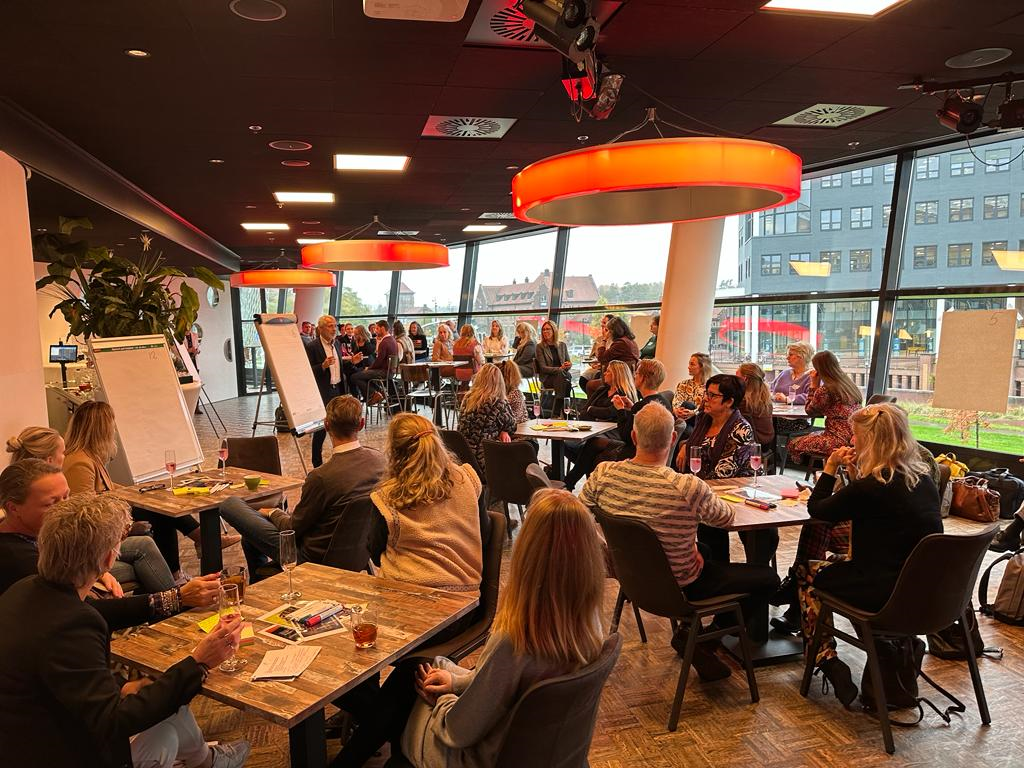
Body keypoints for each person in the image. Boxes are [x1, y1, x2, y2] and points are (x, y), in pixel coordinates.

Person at [0, 492, 249, 768]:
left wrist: (125, 686)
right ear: (108, 559)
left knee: (164, 695)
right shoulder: (71, 623)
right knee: (164, 732)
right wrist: (200, 661)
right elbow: (114, 721)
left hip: (31, 735)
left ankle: (209, 762)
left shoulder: (23, 591)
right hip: (59, 751)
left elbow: (67, 677)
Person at [397, 489, 606, 768]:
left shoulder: (516, 638)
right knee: (439, 668)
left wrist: (444, 699)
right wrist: (458, 684)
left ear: (527, 555)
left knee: (408, 687)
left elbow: (459, 731)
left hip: (491, 757)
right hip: (548, 754)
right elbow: (504, 687)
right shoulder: (589, 623)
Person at [579, 404, 778, 681]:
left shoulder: (603, 474)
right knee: (767, 578)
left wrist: (606, 549)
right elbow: (726, 518)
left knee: (705, 549)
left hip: (631, 577)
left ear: (634, 438)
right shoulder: (687, 487)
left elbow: (579, 515)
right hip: (681, 585)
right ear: (673, 439)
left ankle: (694, 635)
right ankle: (705, 639)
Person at [332, 413, 483, 767]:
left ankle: (355, 750)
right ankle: (389, 735)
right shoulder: (467, 480)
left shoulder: (388, 498)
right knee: (402, 681)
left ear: (395, 454)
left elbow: (372, 550)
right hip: (466, 605)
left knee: (342, 642)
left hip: (413, 611)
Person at [797, 404, 942, 707]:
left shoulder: (872, 487)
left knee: (806, 571)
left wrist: (830, 468)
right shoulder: (922, 479)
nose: (852, 443)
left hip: (881, 590)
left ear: (871, 441)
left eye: (856, 438)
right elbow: (872, 510)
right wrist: (854, 472)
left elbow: (819, 510)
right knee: (835, 562)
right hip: (920, 588)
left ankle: (826, 659)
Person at [0, 460, 220, 621]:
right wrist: (177, 598)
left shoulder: (36, 536)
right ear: (13, 508)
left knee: (144, 547)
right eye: (51, 503)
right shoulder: (19, 560)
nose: (66, 507)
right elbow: (87, 613)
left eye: (67, 497)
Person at [62, 401, 237, 581]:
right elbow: (85, 512)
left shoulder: (89, 457)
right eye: (111, 427)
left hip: (110, 517)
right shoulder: (79, 463)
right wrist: (128, 526)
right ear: (100, 430)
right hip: (99, 531)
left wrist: (140, 490)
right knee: (161, 512)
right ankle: (193, 551)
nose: (114, 431)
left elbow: (108, 487)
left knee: (161, 503)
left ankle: (190, 554)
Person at [217, 396, 386, 575]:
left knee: (230, 504)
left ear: (326, 425)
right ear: (361, 424)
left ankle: (262, 578)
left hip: (310, 559)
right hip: (354, 554)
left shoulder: (321, 477)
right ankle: (260, 580)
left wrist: (274, 512)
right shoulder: (379, 461)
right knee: (250, 536)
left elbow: (292, 528)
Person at [679, 375, 757, 563]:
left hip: (736, 494)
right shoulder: (704, 420)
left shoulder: (741, 429)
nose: (705, 398)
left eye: (713, 395)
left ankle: (718, 568)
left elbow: (724, 472)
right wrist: (685, 445)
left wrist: (691, 488)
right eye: (707, 393)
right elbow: (696, 447)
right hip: (706, 489)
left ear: (729, 401)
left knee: (704, 514)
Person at [563, 358, 672, 490]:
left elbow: (626, 436)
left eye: (636, 373)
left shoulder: (642, 406)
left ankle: (570, 482)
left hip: (634, 451)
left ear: (643, 378)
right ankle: (570, 481)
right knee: (593, 444)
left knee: (592, 446)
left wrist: (620, 410)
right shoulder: (662, 402)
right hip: (651, 450)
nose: (634, 376)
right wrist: (631, 408)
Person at [787, 350, 862, 464]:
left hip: (836, 439)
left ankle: (821, 473)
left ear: (819, 369)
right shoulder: (849, 385)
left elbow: (810, 411)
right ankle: (830, 472)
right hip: (854, 438)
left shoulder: (826, 390)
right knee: (813, 435)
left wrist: (814, 384)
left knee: (793, 444)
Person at [307, 314, 354, 468]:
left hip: (338, 390)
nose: (334, 329)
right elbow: (307, 371)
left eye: (335, 325)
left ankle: (341, 460)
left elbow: (340, 367)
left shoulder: (337, 344)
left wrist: (352, 362)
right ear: (320, 329)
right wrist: (322, 366)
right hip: (323, 391)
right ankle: (316, 463)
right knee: (321, 429)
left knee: (340, 427)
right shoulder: (313, 347)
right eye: (330, 326)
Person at [458, 363, 517, 472]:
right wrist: (503, 430)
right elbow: (512, 425)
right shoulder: (497, 402)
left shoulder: (467, 399)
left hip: (463, 458)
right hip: (486, 459)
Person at [352, 319, 399, 406]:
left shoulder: (384, 342)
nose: (375, 331)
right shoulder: (393, 340)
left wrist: (369, 368)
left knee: (355, 377)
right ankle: (380, 392)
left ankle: (374, 394)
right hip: (390, 371)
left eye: (377, 328)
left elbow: (379, 361)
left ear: (382, 328)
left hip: (383, 372)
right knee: (364, 376)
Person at [535, 320, 573, 413]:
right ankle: (563, 411)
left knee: (564, 378)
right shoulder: (540, 347)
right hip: (548, 378)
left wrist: (568, 365)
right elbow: (543, 368)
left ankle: (558, 411)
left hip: (561, 377)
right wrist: (560, 369)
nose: (545, 332)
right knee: (566, 380)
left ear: (554, 331)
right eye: (543, 330)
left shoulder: (562, 345)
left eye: (548, 329)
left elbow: (567, 364)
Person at [736, 362, 775, 447]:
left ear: (745, 379)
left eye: (736, 377)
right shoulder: (764, 398)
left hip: (754, 442)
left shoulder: (743, 402)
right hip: (767, 441)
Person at [672, 352, 713, 421]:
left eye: (692, 364)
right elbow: (676, 401)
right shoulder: (683, 384)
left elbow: (708, 409)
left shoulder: (711, 388)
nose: (688, 367)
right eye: (689, 364)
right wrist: (677, 411)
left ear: (702, 367)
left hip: (699, 419)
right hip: (682, 418)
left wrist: (694, 413)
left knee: (688, 405)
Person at [578, 313, 614, 392]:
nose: (602, 325)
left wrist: (601, 364)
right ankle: (592, 399)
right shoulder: (599, 339)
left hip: (607, 369)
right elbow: (591, 357)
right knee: (583, 379)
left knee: (596, 379)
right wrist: (593, 364)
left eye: (604, 323)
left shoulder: (615, 340)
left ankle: (596, 399)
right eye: (601, 323)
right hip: (596, 368)